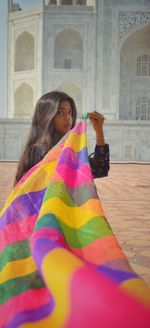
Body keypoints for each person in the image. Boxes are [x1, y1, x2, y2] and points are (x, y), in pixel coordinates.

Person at [14, 90, 110, 185]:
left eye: (69, 112)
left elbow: (100, 169)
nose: (67, 118)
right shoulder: (39, 151)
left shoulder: (68, 148)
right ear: (46, 116)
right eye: (61, 113)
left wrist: (99, 131)